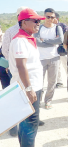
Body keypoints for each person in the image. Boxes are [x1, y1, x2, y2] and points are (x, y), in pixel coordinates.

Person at [8, 8, 45, 147]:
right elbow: (21, 66)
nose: (38, 23)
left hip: (32, 86)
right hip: (28, 88)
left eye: (39, 21)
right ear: (23, 23)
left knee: (26, 125)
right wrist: (29, 89)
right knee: (30, 124)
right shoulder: (20, 41)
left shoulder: (28, 38)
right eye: (35, 20)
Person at [34, 8, 63, 109]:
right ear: (44, 17)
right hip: (40, 59)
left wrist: (45, 40)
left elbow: (60, 40)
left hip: (54, 58)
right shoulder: (39, 28)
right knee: (39, 82)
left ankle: (48, 101)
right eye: (48, 17)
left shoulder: (57, 28)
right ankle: (38, 101)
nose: (50, 19)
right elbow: (37, 42)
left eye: (52, 17)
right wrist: (52, 42)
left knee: (52, 82)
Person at [54, 12, 68, 88]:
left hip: (63, 49)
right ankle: (59, 82)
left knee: (66, 65)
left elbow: (67, 36)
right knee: (56, 66)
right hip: (53, 50)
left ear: (57, 18)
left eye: (53, 17)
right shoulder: (47, 27)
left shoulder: (63, 26)